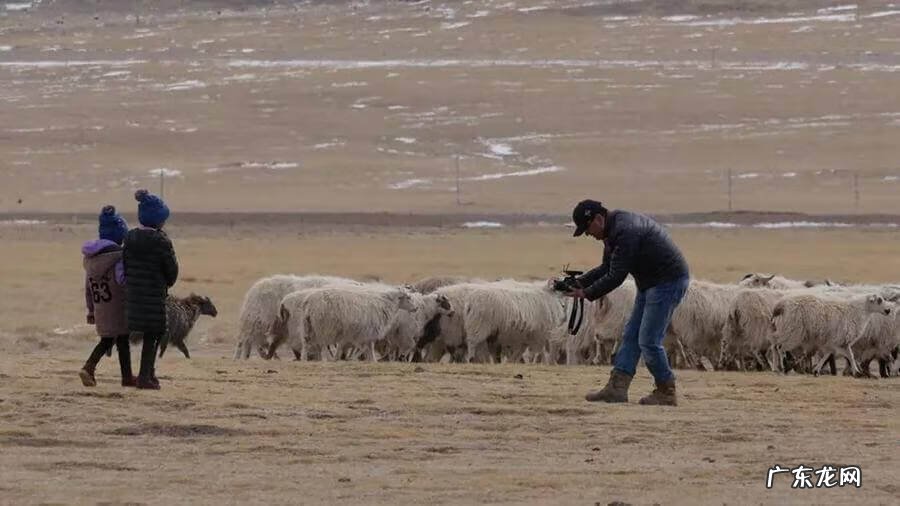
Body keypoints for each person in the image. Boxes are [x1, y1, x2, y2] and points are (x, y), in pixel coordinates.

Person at [565, 199, 690, 406]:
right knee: (631, 334)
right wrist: (578, 282)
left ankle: (666, 390)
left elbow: (617, 276)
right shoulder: (612, 231)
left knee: (648, 340)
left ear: (598, 219)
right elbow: (607, 267)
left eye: (587, 229)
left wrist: (586, 293)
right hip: (651, 282)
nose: (588, 235)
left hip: (667, 281)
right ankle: (617, 388)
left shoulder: (625, 231)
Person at [124, 189, 178, 390]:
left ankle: (147, 374)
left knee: (145, 333)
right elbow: (171, 270)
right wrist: (165, 284)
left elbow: (126, 264)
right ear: (159, 220)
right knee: (154, 334)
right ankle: (146, 376)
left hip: (134, 295)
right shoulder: (161, 241)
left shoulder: (129, 238)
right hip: (154, 295)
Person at [79, 205, 136, 387]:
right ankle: (90, 367)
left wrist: (91, 311)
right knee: (119, 340)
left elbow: (88, 288)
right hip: (117, 307)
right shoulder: (119, 257)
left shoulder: (91, 260)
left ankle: (123, 375)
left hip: (100, 306)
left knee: (110, 339)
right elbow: (122, 280)